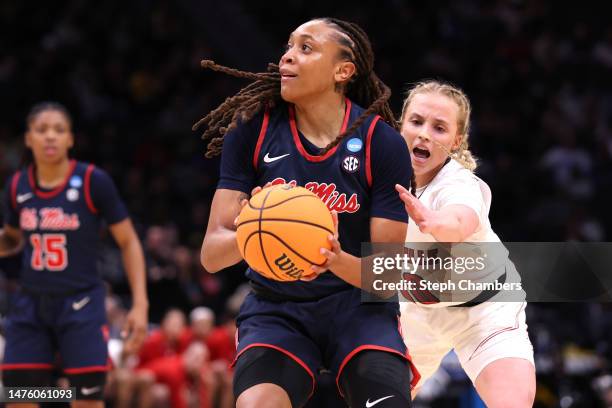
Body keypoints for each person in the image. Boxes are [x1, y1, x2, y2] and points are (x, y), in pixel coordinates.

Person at [196, 18, 417, 408]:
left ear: (343, 70)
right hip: (276, 307)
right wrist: (254, 230)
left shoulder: (380, 143)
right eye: (288, 47)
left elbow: (385, 275)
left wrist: (333, 259)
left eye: (306, 48)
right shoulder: (253, 129)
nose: (287, 57)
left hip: (359, 308)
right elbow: (212, 255)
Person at [395, 81, 535, 407]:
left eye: (439, 127)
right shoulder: (378, 178)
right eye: (416, 122)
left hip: (484, 310)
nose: (424, 133)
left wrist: (432, 222)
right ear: (400, 125)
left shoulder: (460, 183)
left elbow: (459, 220)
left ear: (456, 142)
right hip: (418, 314)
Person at [0, 102, 149, 407]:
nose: (50, 136)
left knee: (86, 399)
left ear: (70, 139)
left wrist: (140, 304)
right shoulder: (17, 186)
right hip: (31, 303)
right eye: (42, 130)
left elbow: (129, 241)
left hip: (81, 301)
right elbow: (13, 239)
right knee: (17, 396)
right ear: (28, 139)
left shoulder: (94, 181)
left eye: (59, 130)